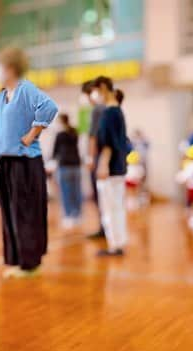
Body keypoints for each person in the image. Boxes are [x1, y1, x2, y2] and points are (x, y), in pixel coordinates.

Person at [0, 47, 58, 278]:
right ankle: (15, 260)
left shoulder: (25, 89)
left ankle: (30, 263)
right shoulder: (0, 97)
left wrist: (31, 134)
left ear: (10, 68)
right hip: (3, 163)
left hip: (24, 162)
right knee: (8, 212)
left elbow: (50, 107)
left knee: (25, 212)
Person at [93, 76, 131, 257]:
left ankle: (115, 245)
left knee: (110, 208)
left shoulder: (109, 112)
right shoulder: (118, 111)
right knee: (117, 207)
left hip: (111, 168)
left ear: (102, 88)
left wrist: (103, 164)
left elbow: (107, 143)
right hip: (119, 167)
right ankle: (118, 243)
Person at [83, 80, 107, 239]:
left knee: (100, 195)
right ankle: (105, 227)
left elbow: (93, 136)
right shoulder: (107, 109)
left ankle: (105, 228)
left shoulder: (98, 110)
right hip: (106, 159)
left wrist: (91, 159)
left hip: (100, 159)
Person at [51, 113, 82, 228]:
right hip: (76, 165)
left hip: (65, 165)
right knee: (76, 191)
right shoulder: (74, 132)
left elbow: (55, 151)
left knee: (66, 191)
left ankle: (69, 215)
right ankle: (78, 215)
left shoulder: (60, 134)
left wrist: (51, 162)